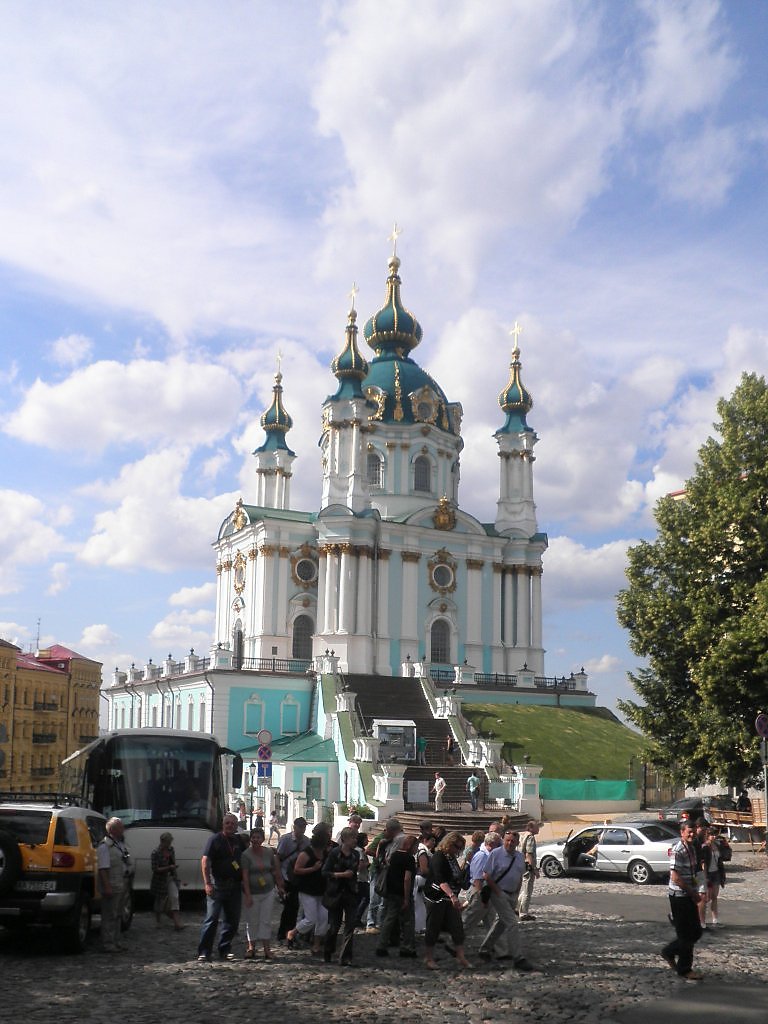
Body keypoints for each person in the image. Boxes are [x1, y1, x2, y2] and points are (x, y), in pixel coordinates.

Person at [478, 830, 533, 971]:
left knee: (500, 924)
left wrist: (516, 893)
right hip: (498, 893)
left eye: (512, 841)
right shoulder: (496, 854)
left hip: (512, 894)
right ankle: (518, 957)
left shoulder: (520, 857)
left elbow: (519, 876)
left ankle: (485, 949)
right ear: (504, 840)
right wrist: (498, 892)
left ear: (517, 843)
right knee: (512, 923)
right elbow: (486, 875)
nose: (509, 843)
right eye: (507, 840)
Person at [198, 812, 246, 962]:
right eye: (227, 823)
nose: (230, 826)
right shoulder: (214, 840)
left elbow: (245, 861)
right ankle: (204, 951)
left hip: (235, 886)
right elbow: (205, 862)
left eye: (233, 823)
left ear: (237, 825)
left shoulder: (238, 840)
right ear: (223, 824)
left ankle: (225, 949)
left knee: (232, 920)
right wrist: (207, 883)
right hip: (218, 885)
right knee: (211, 919)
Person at [660, 821, 704, 981]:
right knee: (686, 935)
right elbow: (675, 877)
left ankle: (670, 951)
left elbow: (694, 872)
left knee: (696, 931)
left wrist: (698, 889)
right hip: (679, 896)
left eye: (693, 832)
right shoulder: (678, 850)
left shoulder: (691, 848)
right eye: (689, 832)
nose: (692, 834)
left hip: (689, 894)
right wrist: (692, 892)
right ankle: (685, 969)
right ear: (682, 833)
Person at [423, 831, 472, 970]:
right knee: (433, 926)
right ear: (449, 844)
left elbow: (456, 876)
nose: (458, 850)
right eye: (457, 847)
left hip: (450, 897)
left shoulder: (451, 858)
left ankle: (461, 956)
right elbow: (440, 879)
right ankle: (428, 957)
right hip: (437, 897)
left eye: (460, 848)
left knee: (457, 927)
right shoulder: (439, 857)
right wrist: (452, 895)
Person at [242, 826, 284, 960]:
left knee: (265, 921)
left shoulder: (268, 853)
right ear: (251, 839)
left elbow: (275, 870)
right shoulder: (246, 855)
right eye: (253, 837)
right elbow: (245, 876)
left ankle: (267, 949)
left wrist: (280, 886)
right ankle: (251, 947)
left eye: (258, 837)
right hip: (252, 893)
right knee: (252, 921)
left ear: (262, 838)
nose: (255, 839)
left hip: (268, 891)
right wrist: (247, 895)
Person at [323, 826, 361, 966]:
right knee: (334, 925)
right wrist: (340, 875)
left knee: (350, 925)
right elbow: (325, 872)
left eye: (356, 838)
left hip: (350, 892)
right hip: (335, 893)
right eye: (353, 838)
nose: (355, 840)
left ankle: (345, 957)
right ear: (345, 839)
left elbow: (355, 870)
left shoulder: (355, 854)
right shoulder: (335, 853)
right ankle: (328, 950)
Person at [376, 833, 418, 959]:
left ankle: (381, 945)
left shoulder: (395, 855)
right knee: (408, 921)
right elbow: (407, 879)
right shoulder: (409, 859)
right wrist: (406, 898)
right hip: (402, 892)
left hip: (391, 891)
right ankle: (407, 947)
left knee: (389, 919)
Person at [286, 833, 328, 956]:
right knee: (311, 919)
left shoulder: (325, 853)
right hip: (307, 890)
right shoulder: (306, 853)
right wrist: (313, 869)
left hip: (322, 890)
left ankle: (316, 944)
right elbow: (297, 869)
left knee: (323, 918)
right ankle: (292, 933)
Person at [98, 817, 132, 954]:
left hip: (121, 883)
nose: (123, 829)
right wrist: (107, 886)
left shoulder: (119, 844)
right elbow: (103, 868)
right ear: (113, 829)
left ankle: (116, 941)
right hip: (112, 884)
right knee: (109, 915)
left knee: (118, 914)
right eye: (120, 827)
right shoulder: (104, 846)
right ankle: (107, 943)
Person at [366, 817, 402, 933]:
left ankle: (380, 923)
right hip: (376, 871)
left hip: (386, 872)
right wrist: (380, 856)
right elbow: (368, 850)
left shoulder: (394, 840)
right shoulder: (380, 838)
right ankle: (370, 923)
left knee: (383, 899)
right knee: (374, 898)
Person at [276, 817, 310, 940]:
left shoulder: (307, 841)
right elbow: (278, 858)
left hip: (299, 877)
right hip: (286, 876)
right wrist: (279, 879)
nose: (302, 830)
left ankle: (289, 932)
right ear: (294, 827)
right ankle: (285, 932)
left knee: (294, 906)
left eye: (304, 827)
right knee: (289, 906)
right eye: (300, 827)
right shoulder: (285, 839)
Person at [150, 832, 185, 931]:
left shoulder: (171, 850)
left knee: (175, 897)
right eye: (168, 842)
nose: (169, 844)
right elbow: (155, 869)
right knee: (159, 901)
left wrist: (173, 870)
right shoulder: (155, 852)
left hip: (171, 878)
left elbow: (172, 862)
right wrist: (169, 867)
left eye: (170, 842)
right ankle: (158, 921)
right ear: (163, 841)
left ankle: (177, 923)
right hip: (160, 880)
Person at [701, 828, 725, 929]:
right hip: (708, 874)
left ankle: (715, 920)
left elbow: (720, 861)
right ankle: (701, 920)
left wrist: (722, 875)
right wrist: (705, 876)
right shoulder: (705, 847)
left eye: (714, 835)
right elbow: (703, 863)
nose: (713, 837)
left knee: (714, 897)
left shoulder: (717, 845)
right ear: (707, 835)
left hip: (716, 873)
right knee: (707, 898)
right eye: (711, 835)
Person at [517, 820, 541, 921]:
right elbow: (529, 854)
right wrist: (534, 869)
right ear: (531, 828)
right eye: (537, 827)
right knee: (528, 890)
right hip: (528, 866)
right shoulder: (530, 837)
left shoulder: (524, 835)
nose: (538, 829)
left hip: (522, 864)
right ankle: (523, 913)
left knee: (524, 888)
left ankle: (517, 907)